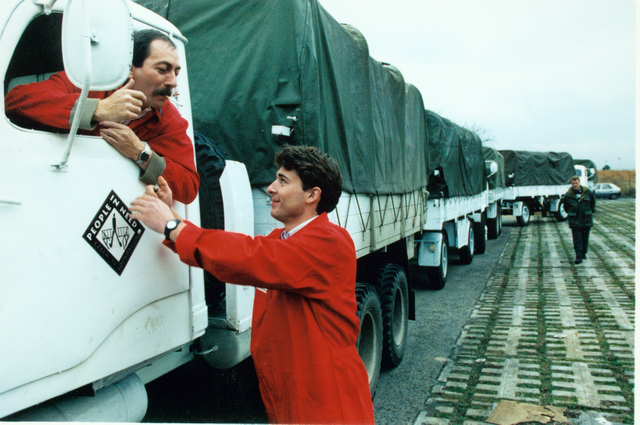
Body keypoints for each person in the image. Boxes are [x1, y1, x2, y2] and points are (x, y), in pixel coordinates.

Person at [130, 146, 374, 424]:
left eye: (283, 181)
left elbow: (250, 257)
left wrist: (172, 225)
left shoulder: (330, 241)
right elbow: (232, 254)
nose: (270, 188)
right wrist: (173, 217)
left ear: (312, 195)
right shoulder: (282, 239)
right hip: (296, 395)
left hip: (327, 402)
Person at [5, 29, 199, 204]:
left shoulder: (168, 119)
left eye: (176, 72)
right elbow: (15, 100)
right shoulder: (88, 84)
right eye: (163, 70)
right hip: (51, 194)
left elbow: (189, 186)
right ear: (131, 68)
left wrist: (141, 153)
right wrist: (97, 109)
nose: (173, 82)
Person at [564, 176, 596, 264]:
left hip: (586, 219)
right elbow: (565, 207)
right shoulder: (568, 195)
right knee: (577, 239)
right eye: (573, 183)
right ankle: (578, 256)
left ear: (579, 183)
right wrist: (572, 213)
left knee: (585, 238)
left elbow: (593, 204)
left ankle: (583, 253)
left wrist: (589, 212)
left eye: (576, 183)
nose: (574, 185)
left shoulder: (587, 192)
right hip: (575, 220)